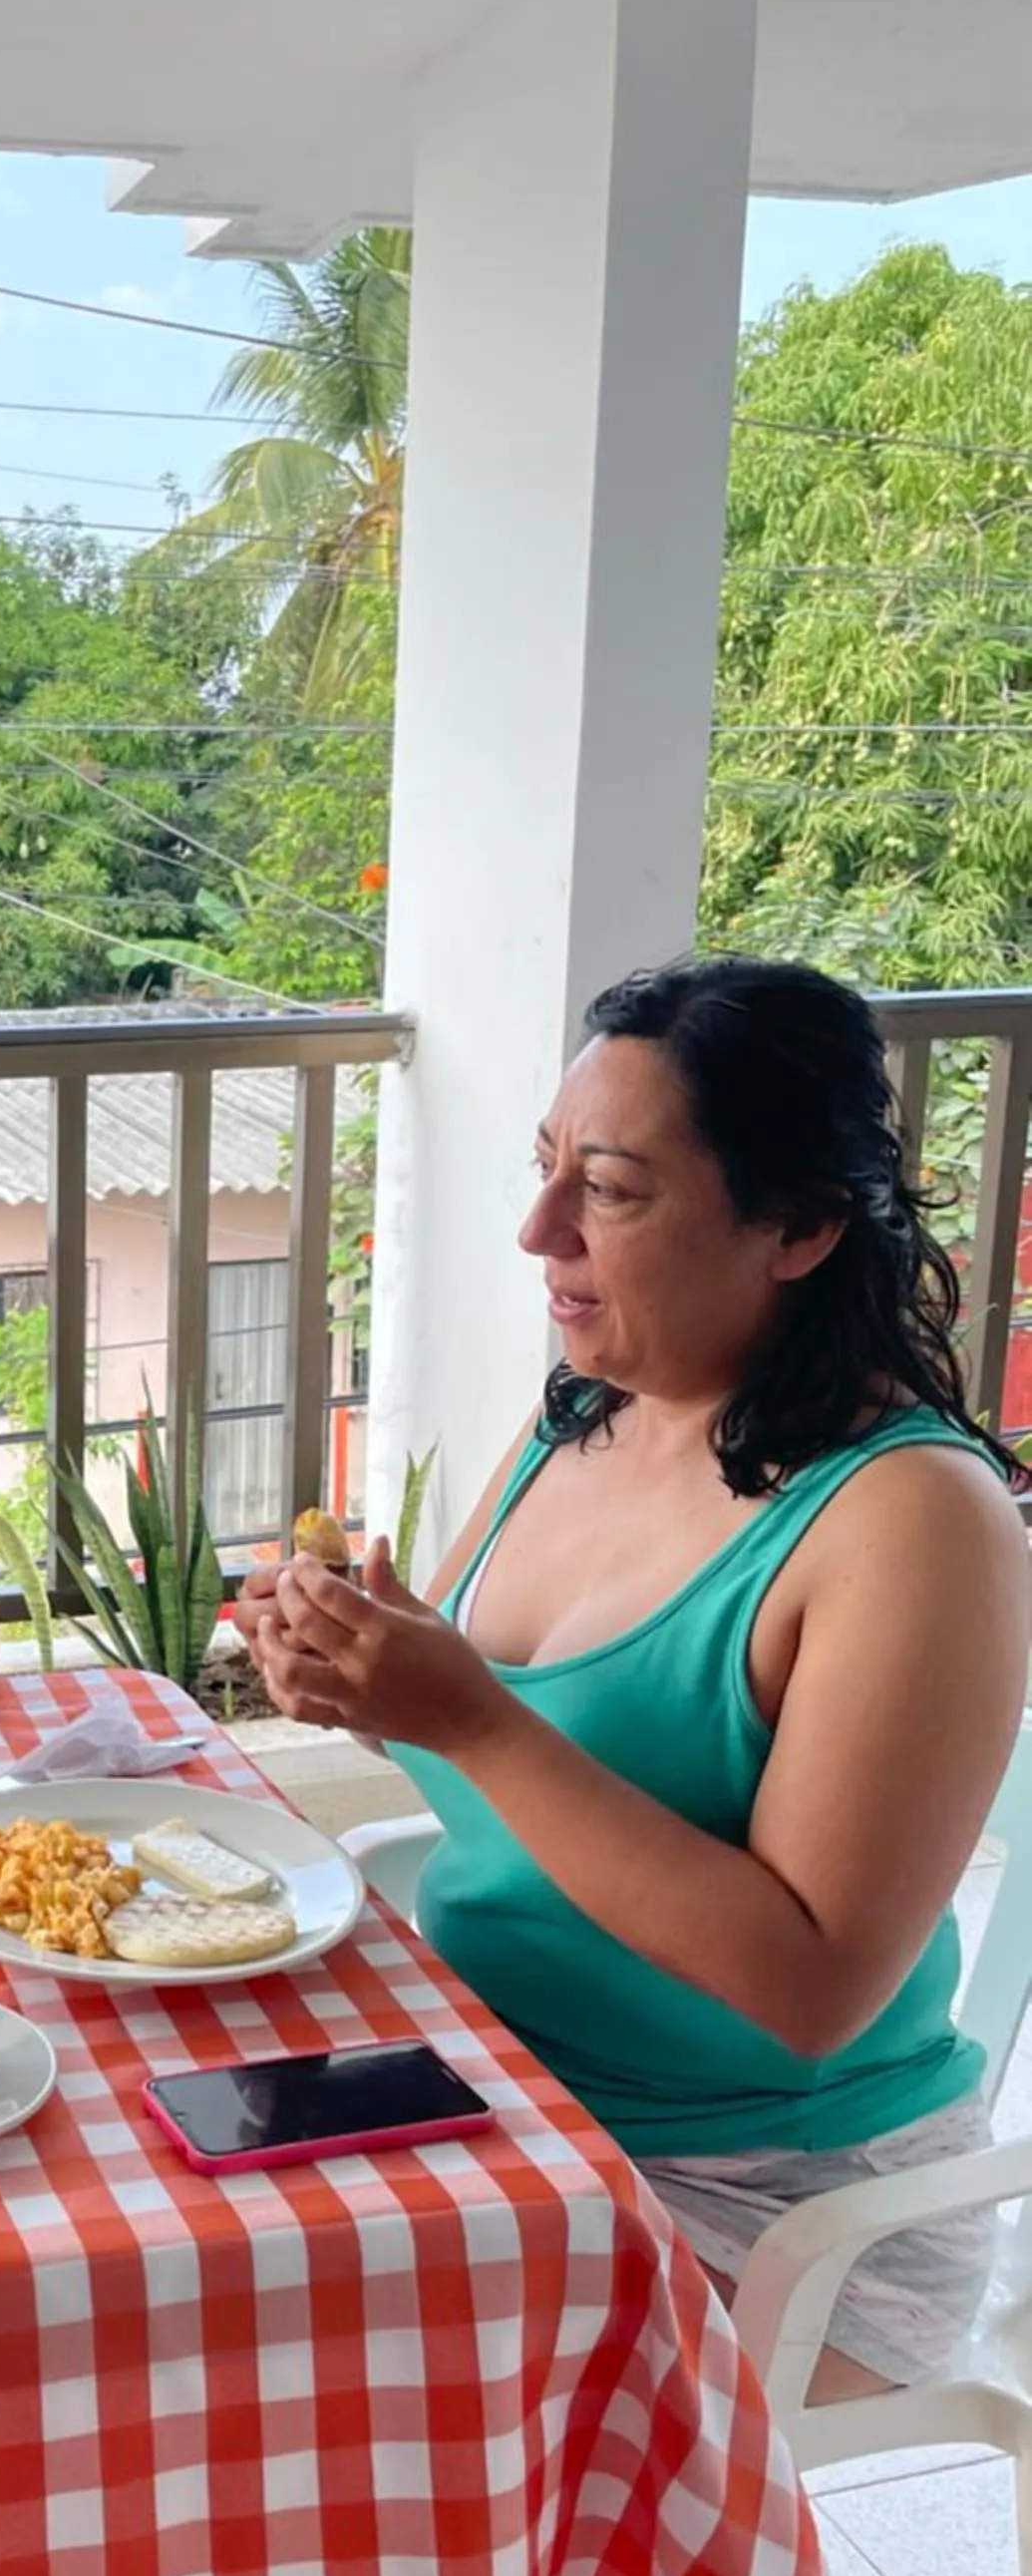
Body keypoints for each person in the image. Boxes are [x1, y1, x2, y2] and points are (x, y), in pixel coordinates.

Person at [238, 956, 1029, 2395]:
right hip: (499, 2081)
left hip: (774, 2196)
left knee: (283, 2369)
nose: (537, 1231)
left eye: (607, 1191)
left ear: (793, 1226)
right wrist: (363, 1665)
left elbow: (809, 1984)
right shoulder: (588, 1408)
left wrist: (461, 1716)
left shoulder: (914, 1520)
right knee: (148, 2223)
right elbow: (508, 1755)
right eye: (545, 1171)